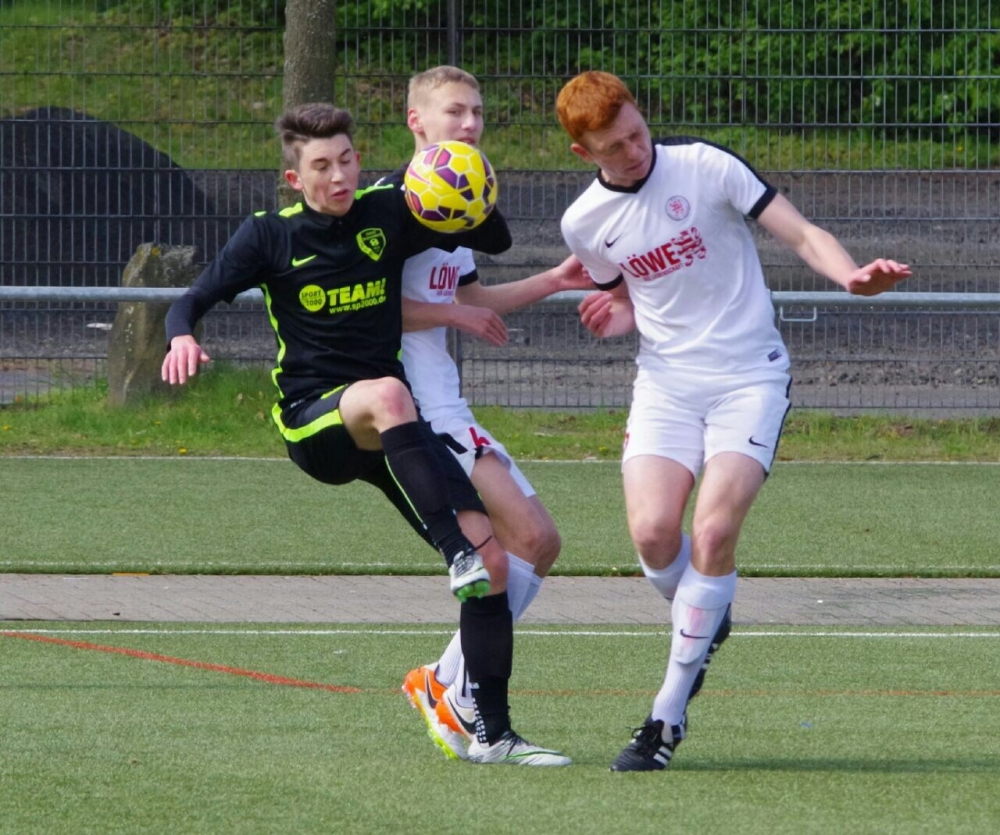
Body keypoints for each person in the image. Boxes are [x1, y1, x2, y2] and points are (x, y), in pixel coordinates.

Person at [161, 102, 569, 766]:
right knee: (389, 394)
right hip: (316, 420)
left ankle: (492, 733)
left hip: (391, 430)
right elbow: (191, 300)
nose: (339, 175)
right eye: (322, 165)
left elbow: (490, 238)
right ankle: (455, 554)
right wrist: (181, 336)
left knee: (494, 564)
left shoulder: (388, 211)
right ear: (294, 178)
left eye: (347, 159)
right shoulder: (268, 234)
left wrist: (463, 181)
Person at [555, 71, 911, 772]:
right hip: (666, 384)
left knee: (713, 532)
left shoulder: (705, 166)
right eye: (614, 147)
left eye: (636, 132)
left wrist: (849, 276)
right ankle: (706, 612)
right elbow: (629, 298)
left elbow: (801, 232)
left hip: (749, 376)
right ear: (583, 153)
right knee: (653, 535)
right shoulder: (584, 222)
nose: (634, 150)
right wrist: (614, 316)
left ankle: (665, 716)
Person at [386, 66, 591, 762]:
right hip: (417, 410)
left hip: (450, 405)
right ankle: (460, 695)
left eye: (476, 112)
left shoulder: (458, 202)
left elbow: (471, 300)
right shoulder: (391, 205)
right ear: (416, 120)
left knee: (540, 542)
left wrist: (554, 280)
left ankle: (444, 681)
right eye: (455, 111)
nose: (470, 123)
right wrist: (449, 315)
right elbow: (368, 309)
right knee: (522, 540)